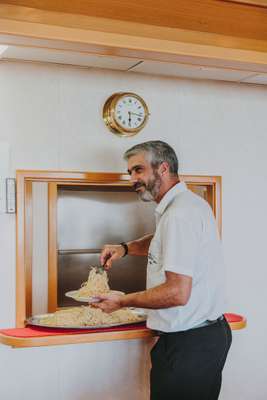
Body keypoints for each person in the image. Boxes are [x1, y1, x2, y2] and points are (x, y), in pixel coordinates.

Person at [94, 140, 232, 400]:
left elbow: (177, 293)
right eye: (130, 173)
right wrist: (125, 248)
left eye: (138, 170)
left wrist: (121, 301)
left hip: (190, 343)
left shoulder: (179, 214)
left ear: (163, 168)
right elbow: (162, 241)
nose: (133, 179)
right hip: (199, 338)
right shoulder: (186, 206)